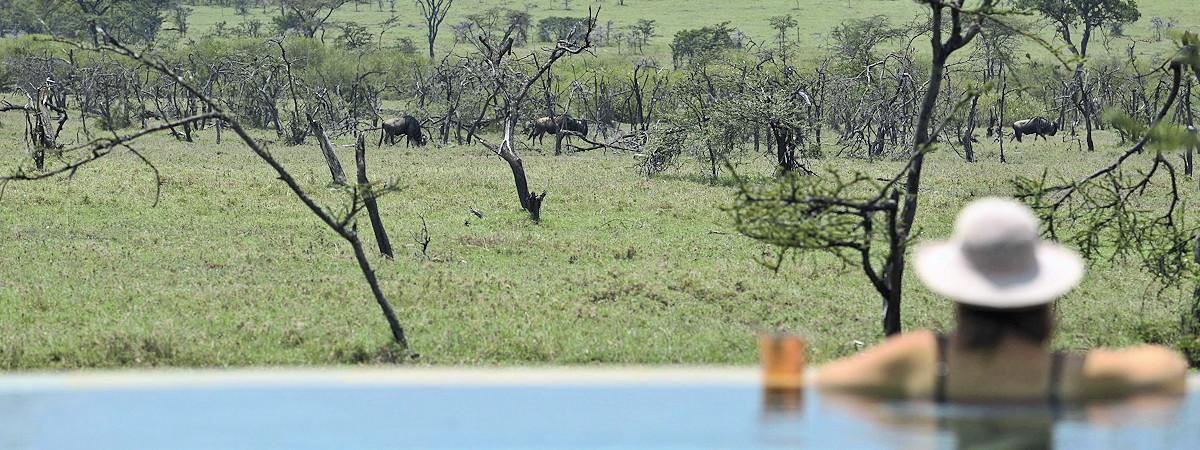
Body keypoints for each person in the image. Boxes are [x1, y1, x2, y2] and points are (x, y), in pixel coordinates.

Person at [815, 198, 1188, 403]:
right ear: (1044, 297)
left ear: (958, 294)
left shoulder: (918, 359)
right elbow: (1169, 366)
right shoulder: (1071, 376)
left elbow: (822, 385)